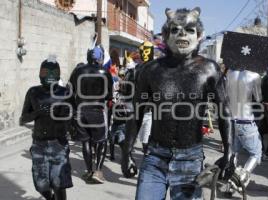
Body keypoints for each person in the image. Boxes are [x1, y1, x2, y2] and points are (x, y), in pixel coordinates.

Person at [121, 7, 232, 199]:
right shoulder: (150, 70)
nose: (182, 34)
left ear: (199, 35)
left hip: (190, 159)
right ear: (165, 35)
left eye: (189, 29)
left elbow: (224, 113)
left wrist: (230, 152)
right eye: (175, 30)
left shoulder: (209, 70)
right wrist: (126, 151)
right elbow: (136, 112)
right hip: (155, 158)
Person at [20, 57, 73, 200]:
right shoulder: (33, 92)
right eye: (45, 72)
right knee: (40, 185)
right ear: (40, 73)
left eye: (53, 72)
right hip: (39, 144)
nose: (49, 75)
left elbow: (72, 118)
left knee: (59, 183)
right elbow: (23, 119)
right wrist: (37, 112)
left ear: (58, 73)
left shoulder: (65, 93)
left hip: (58, 143)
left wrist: (62, 117)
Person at [68, 46, 113, 183]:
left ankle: (89, 171)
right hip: (97, 111)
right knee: (102, 141)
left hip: (81, 111)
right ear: (99, 59)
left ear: (88, 57)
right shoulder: (104, 72)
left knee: (85, 142)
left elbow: (69, 91)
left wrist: (74, 108)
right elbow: (109, 96)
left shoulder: (78, 71)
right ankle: (98, 171)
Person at [224, 68, 263, 194]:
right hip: (246, 121)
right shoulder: (254, 75)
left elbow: (226, 95)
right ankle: (239, 179)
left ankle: (229, 186)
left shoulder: (229, 73)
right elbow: (258, 98)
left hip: (231, 120)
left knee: (234, 152)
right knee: (256, 153)